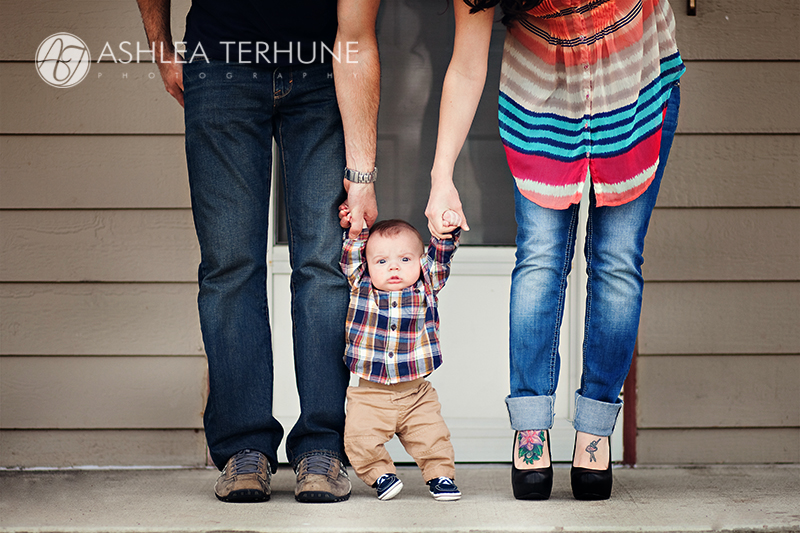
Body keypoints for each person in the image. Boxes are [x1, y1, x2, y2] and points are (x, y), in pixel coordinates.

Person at [426, 0, 685, 500]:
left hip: (637, 82)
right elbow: (465, 65)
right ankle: (530, 431)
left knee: (616, 261)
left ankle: (594, 433)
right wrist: (441, 179)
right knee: (541, 260)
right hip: (541, 92)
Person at [135, 0, 381, 503]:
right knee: (230, 266)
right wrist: (162, 51)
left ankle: (324, 448)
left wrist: (362, 175)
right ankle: (244, 448)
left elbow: (356, 36)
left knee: (325, 265)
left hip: (322, 71)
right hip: (221, 63)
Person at [337, 214, 462, 501]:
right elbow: (351, 256)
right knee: (358, 438)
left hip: (416, 392)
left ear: (420, 262)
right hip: (370, 392)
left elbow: (440, 257)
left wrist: (445, 231)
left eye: (405, 259)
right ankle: (380, 475)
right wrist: (357, 225)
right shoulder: (362, 285)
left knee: (433, 437)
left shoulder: (426, 285)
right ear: (368, 265)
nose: (393, 266)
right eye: (381, 261)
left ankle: (440, 476)